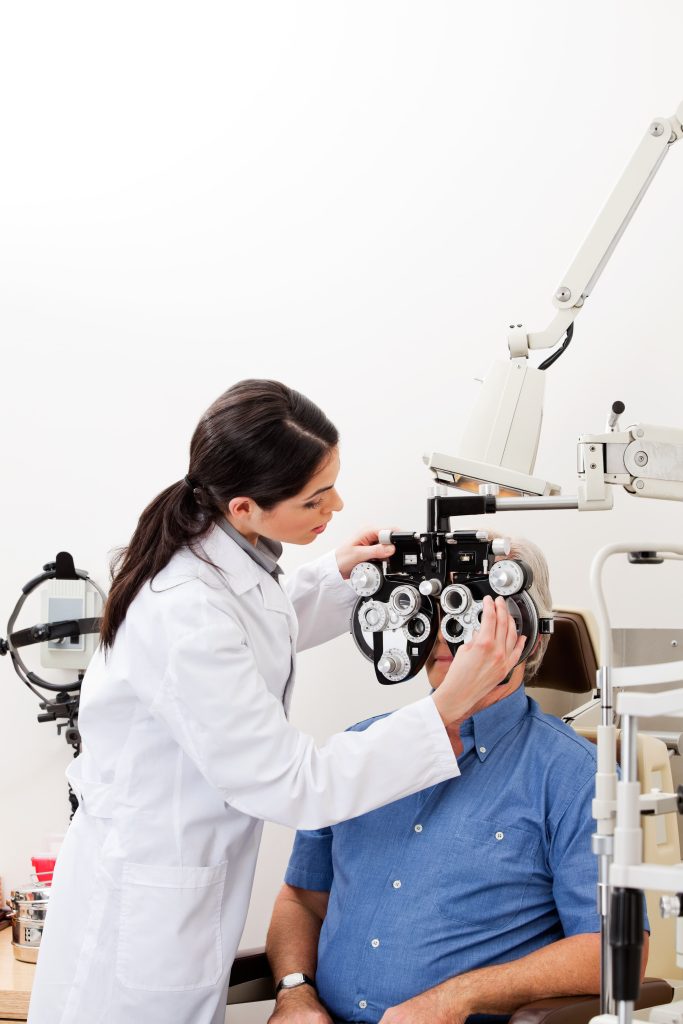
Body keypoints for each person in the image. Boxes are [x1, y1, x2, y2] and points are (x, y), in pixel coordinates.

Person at [28, 380, 524, 1024]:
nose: (337, 506)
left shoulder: (223, 568)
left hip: (177, 890)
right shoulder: (186, 612)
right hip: (143, 910)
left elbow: (258, 625)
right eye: (316, 498)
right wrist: (445, 709)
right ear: (243, 507)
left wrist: (341, 577)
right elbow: (295, 783)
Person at [266, 535, 650, 1024]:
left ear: (526, 630)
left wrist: (458, 997)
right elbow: (301, 897)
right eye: (432, 610)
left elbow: (616, 953)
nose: (446, 637)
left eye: (470, 611)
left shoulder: (577, 779)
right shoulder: (360, 751)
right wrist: (294, 992)